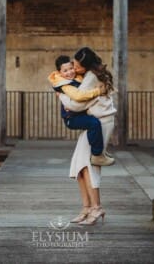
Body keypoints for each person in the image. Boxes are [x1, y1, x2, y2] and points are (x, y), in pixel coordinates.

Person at [58, 47, 116, 226]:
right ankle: (86, 207)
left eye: (76, 65)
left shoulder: (91, 78)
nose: (74, 68)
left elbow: (75, 105)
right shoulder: (89, 75)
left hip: (100, 123)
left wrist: (61, 96)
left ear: (85, 65)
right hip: (95, 123)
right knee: (79, 164)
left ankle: (96, 207)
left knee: (91, 165)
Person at [48, 55, 114, 166]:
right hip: (72, 118)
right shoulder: (64, 85)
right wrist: (98, 91)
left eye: (71, 68)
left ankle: (99, 150)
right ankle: (97, 155)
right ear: (59, 72)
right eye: (65, 71)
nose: (69, 72)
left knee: (95, 122)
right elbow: (78, 96)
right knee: (94, 123)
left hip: (79, 113)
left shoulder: (77, 77)